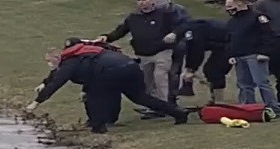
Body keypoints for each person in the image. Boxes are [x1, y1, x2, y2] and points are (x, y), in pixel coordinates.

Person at [27, 38, 189, 133]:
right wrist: (44, 83)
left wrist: (36, 102)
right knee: (141, 97)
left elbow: (58, 81)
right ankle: (178, 113)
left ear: (58, 57)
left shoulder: (71, 62)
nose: (49, 64)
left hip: (110, 72)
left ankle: (98, 127)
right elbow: (56, 74)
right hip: (130, 66)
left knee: (94, 95)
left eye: (50, 61)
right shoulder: (86, 52)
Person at [94, 0, 186, 104]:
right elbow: (121, 31)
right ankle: (153, 105)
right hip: (143, 54)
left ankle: (165, 105)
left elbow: (180, 27)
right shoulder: (133, 17)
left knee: (160, 78)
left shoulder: (165, 15)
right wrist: (106, 37)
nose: (142, 3)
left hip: (162, 52)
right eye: (139, 0)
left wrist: (174, 34)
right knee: (146, 82)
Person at [225, 0, 280, 116]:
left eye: (230, 6)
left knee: (262, 83)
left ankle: (272, 108)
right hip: (239, 57)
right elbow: (229, 39)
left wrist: (264, 52)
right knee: (244, 85)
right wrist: (231, 55)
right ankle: (248, 109)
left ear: (240, 3)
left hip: (255, 56)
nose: (228, 9)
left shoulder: (258, 17)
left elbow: (268, 34)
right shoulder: (232, 22)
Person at [165, 18, 233, 104]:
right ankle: (215, 99)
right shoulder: (187, 28)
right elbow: (191, 50)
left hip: (231, 43)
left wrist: (191, 70)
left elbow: (197, 51)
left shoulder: (192, 33)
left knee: (214, 71)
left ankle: (219, 101)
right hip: (220, 43)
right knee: (210, 70)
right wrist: (189, 68)